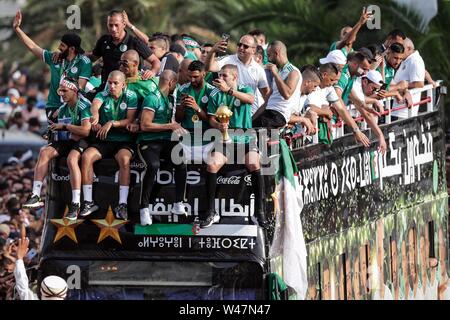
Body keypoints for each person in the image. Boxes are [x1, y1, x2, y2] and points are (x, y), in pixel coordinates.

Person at [202, 64, 267, 228]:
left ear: (234, 77)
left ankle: (259, 212)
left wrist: (229, 91)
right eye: (220, 75)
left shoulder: (245, 89)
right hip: (225, 139)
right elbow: (210, 118)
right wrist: (218, 126)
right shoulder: (215, 93)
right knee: (211, 165)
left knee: (254, 163)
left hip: (245, 139)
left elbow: (251, 100)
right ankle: (210, 212)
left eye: (225, 76)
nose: (220, 79)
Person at [22, 79, 91, 220]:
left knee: (72, 160)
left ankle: (76, 203)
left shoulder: (84, 105)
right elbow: (62, 131)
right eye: (60, 91)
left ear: (74, 91)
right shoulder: (63, 108)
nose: (62, 94)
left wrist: (65, 127)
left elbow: (86, 131)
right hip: (69, 139)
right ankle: (35, 195)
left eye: (65, 91)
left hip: (85, 140)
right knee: (44, 152)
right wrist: (51, 133)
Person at [13, 10, 92, 121]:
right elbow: (33, 47)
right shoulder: (55, 58)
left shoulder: (84, 62)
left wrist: (64, 107)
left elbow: (79, 88)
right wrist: (17, 29)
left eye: (63, 46)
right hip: (53, 106)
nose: (59, 47)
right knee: (55, 136)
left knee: (72, 136)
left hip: (72, 107)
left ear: (72, 49)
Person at [79, 71, 137, 220]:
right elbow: (95, 106)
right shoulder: (102, 94)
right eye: (109, 82)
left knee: (124, 160)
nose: (111, 86)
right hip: (104, 140)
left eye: (115, 83)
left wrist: (111, 123)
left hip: (123, 140)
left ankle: (122, 204)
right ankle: (88, 202)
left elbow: (130, 120)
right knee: (86, 156)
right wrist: (95, 117)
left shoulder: (131, 96)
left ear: (123, 84)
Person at [137, 70, 188, 226]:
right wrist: (170, 126)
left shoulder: (170, 99)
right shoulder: (152, 98)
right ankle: (144, 208)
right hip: (148, 140)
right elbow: (145, 125)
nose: (176, 87)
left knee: (181, 161)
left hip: (166, 140)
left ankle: (179, 203)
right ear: (171, 82)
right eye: (175, 84)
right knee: (153, 166)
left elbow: (174, 122)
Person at [91, 10, 160, 91]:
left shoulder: (134, 42)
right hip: (107, 89)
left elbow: (156, 61)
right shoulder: (103, 41)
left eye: (116, 25)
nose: (113, 29)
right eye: (110, 25)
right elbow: (92, 57)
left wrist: (152, 71)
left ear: (124, 24)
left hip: (130, 89)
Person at [205, 34, 270, 113]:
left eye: (245, 46)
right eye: (239, 45)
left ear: (253, 50)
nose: (241, 48)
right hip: (227, 111)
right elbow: (209, 67)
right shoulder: (227, 59)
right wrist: (213, 51)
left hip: (249, 114)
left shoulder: (258, 69)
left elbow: (266, 95)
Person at [253, 41, 301, 129]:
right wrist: (250, 120)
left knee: (255, 137)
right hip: (269, 112)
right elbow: (267, 102)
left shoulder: (293, 71)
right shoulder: (279, 72)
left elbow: (287, 94)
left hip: (279, 115)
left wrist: (275, 74)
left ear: (276, 54)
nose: (268, 60)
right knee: (247, 130)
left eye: (269, 55)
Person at [390, 38, 425, 119]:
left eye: (402, 47)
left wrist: (403, 86)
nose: (400, 49)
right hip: (397, 108)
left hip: (404, 111)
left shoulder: (415, 60)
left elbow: (419, 84)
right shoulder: (406, 59)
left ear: (409, 49)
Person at [175, 61, 215, 132]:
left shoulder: (212, 91)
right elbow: (178, 119)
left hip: (205, 132)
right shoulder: (182, 90)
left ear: (204, 75)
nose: (192, 80)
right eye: (189, 76)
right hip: (186, 131)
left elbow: (211, 121)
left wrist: (197, 108)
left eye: (195, 77)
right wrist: (181, 107)